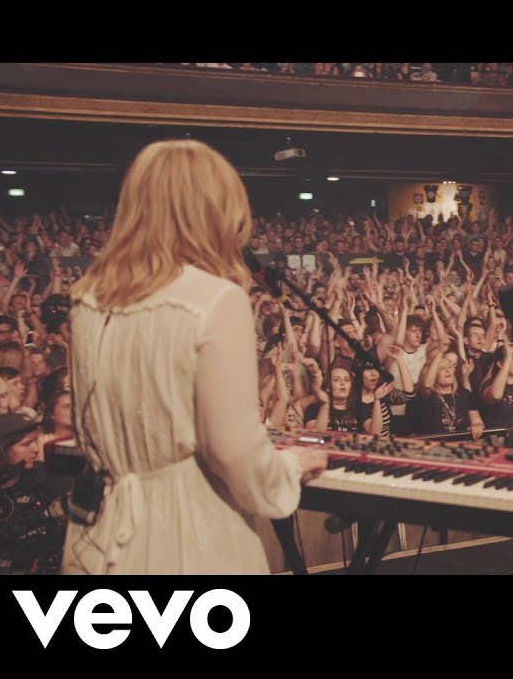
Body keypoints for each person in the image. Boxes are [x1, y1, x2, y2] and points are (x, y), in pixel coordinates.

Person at [63, 139, 327, 574]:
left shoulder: (88, 298)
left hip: (100, 532)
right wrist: (286, 467)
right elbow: (231, 451)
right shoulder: (215, 299)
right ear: (217, 210)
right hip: (184, 537)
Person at [0, 414, 68, 575]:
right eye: (26, 444)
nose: (36, 449)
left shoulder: (45, 477)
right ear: (2, 449)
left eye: (36, 441)